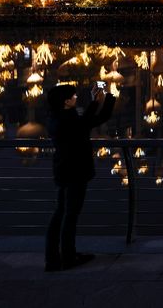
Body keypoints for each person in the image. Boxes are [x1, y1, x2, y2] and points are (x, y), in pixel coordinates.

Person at [44, 81, 116, 271]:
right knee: (70, 215)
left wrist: (95, 100)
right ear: (66, 101)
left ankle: (53, 257)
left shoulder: (57, 118)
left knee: (60, 213)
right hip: (75, 171)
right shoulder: (69, 120)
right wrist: (109, 95)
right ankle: (68, 257)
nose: (76, 97)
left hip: (63, 169)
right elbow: (100, 117)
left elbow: (85, 121)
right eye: (74, 96)